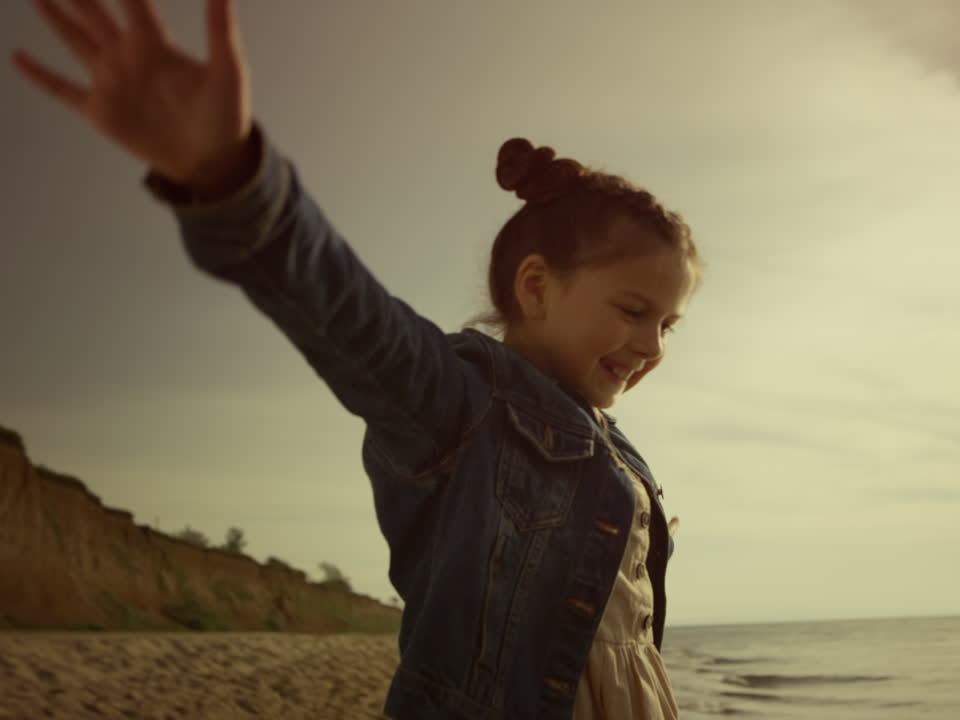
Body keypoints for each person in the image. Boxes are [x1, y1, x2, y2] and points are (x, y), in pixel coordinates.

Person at [12, 1, 702, 718]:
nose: (651, 345)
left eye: (668, 325)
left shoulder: (612, 453)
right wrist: (231, 178)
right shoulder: (459, 405)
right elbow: (350, 317)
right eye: (632, 310)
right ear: (536, 287)